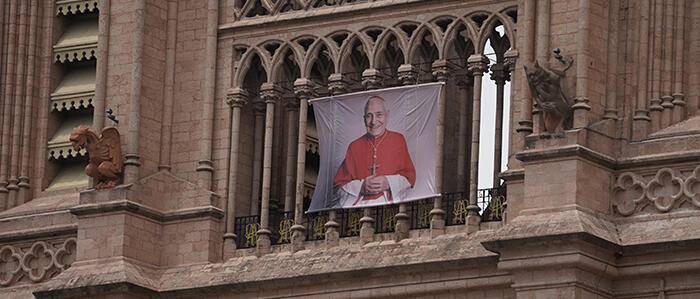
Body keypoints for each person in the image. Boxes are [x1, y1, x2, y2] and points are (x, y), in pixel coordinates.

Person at [332, 96, 416, 208]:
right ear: (364, 118)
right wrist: (361, 186)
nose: (373, 121)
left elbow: (409, 178)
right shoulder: (354, 146)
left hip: (389, 207)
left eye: (379, 114)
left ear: (387, 115)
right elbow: (338, 186)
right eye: (369, 116)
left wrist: (388, 182)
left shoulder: (398, 140)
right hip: (360, 209)